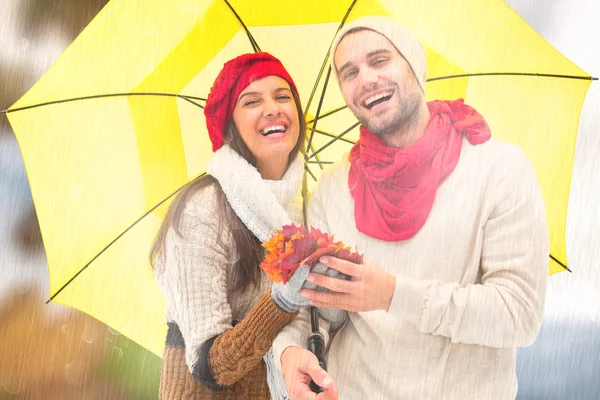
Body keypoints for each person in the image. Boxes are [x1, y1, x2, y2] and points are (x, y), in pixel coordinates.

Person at [272, 16, 549, 400]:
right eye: (349, 72)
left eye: (380, 59)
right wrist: (289, 351)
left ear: (415, 66)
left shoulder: (500, 169)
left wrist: (393, 295)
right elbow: (312, 307)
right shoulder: (332, 189)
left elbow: (519, 315)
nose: (365, 78)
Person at [151, 52, 316, 400]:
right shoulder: (203, 209)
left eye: (282, 97)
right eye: (252, 101)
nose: (272, 108)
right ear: (231, 127)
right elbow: (211, 367)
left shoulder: (305, 208)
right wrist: (283, 300)